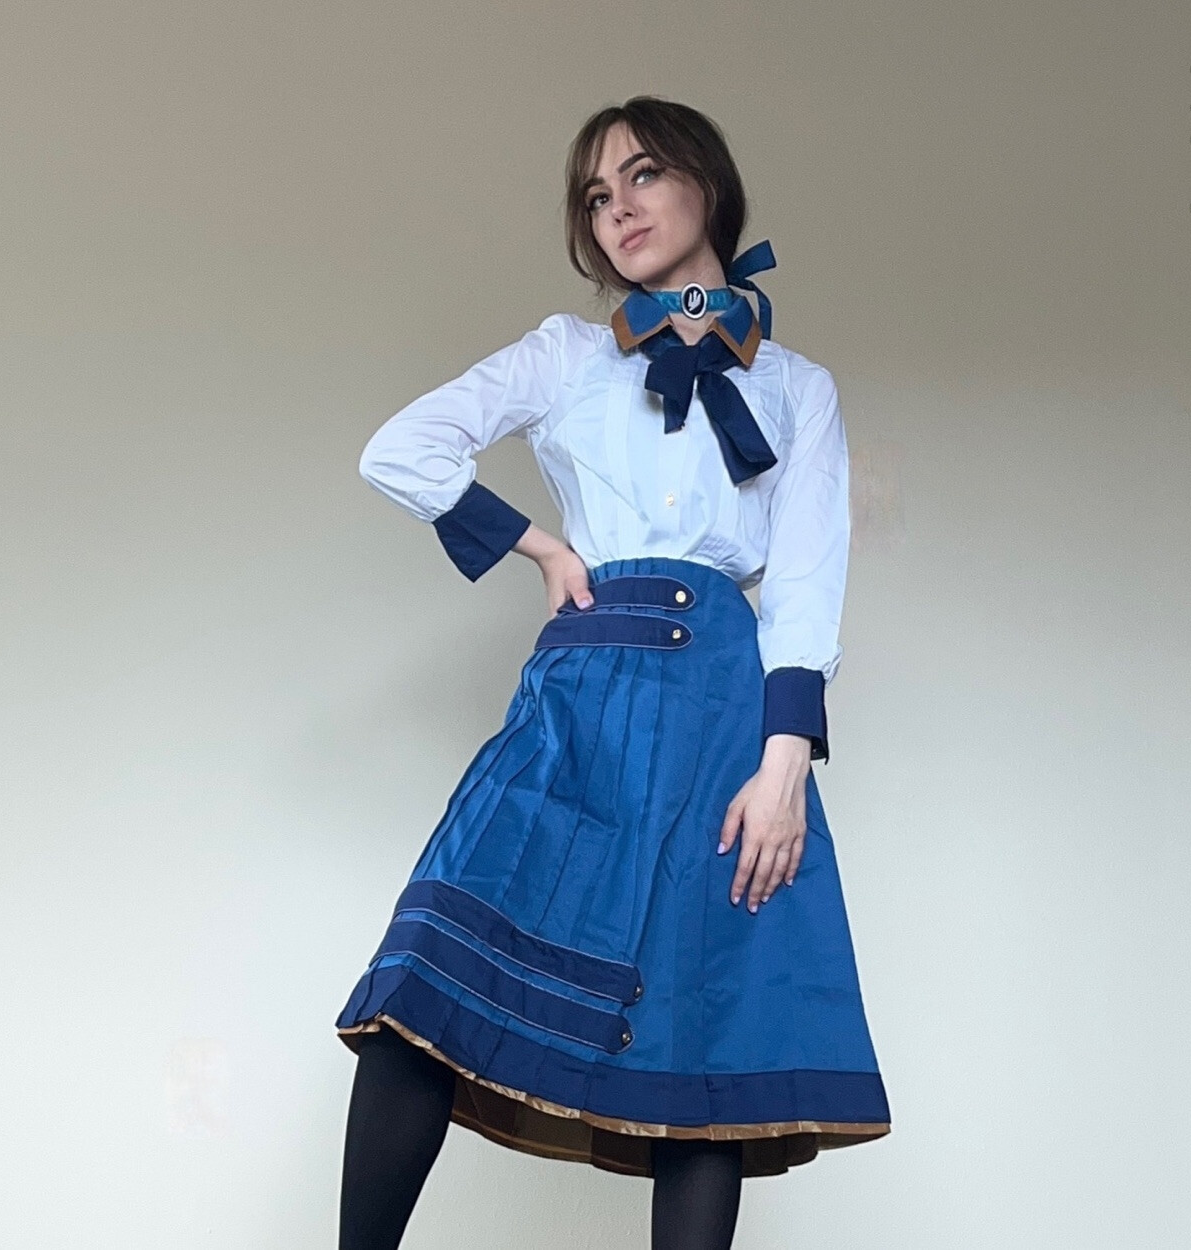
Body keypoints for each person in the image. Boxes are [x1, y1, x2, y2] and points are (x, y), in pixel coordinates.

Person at [334, 95, 890, 1250]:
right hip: (579, 699)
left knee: (703, 1045)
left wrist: (783, 765)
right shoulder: (568, 354)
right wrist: (537, 546)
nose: (616, 208)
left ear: (706, 183)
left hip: (722, 718)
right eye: (595, 195)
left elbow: (803, 582)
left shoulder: (797, 385)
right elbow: (401, 447)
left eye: (640, 175)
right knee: (424, 977)